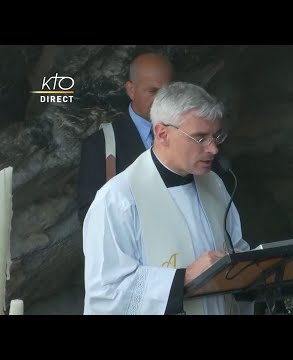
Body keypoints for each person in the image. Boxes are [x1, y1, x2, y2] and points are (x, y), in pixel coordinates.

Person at [83, 81, 253, 315]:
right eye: (200, 137)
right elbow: (106, 294)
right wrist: (184, 278)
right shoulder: (118, 199)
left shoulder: (214, 184)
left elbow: (237, 248)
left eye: (215, 137)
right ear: (162, 133)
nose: (213, 149)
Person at [77, 52, 174, 224]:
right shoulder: (99, 145)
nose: (161, 99)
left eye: (167, 91)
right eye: (152, 91)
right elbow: (91, 220)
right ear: (131, 90)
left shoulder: (190, 134)